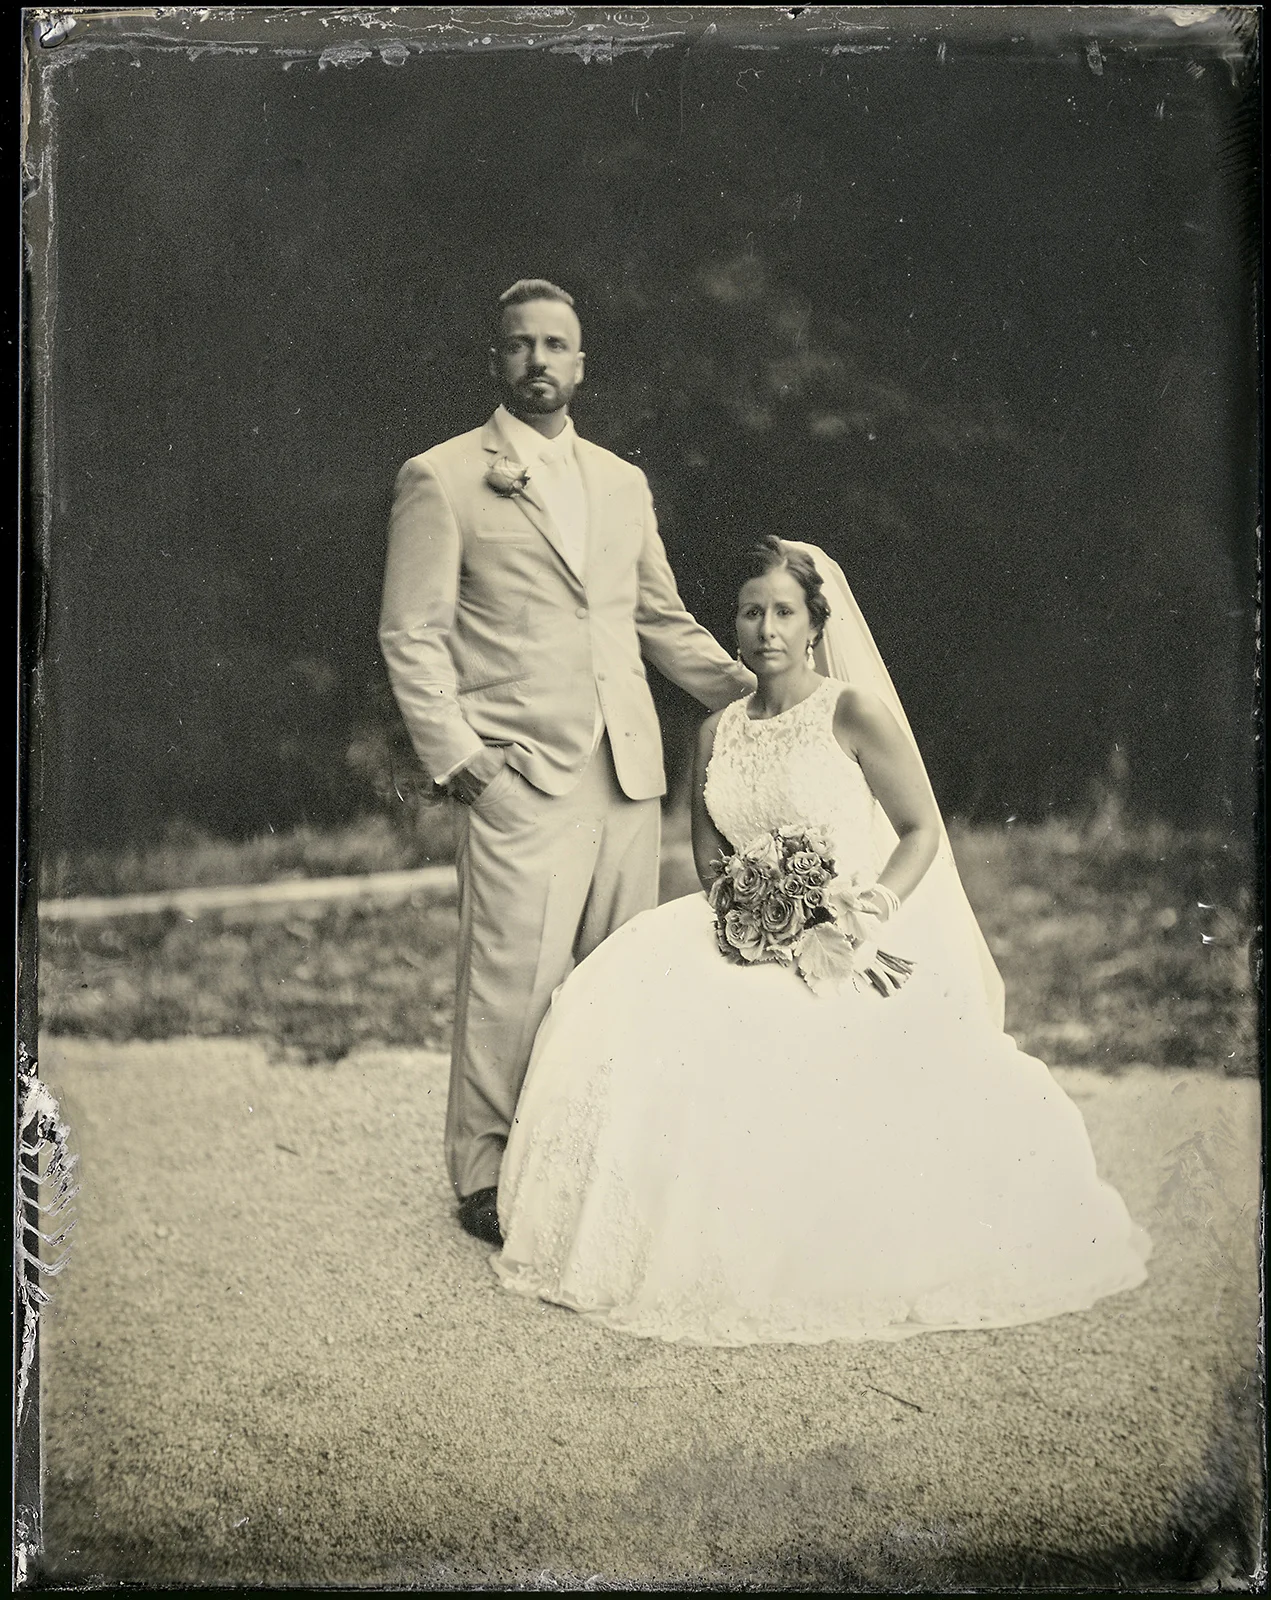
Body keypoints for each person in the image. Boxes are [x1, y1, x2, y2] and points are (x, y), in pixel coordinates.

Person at [492, 537, 1151, 1346]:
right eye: (750, 612)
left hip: (844, 930)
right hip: (737, 925)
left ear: (814, 625)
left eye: (783, 612)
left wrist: (860, 912)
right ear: (731, 627)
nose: (765, 628)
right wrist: (745, 905)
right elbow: (705, 851)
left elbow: (918, 830)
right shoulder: (714, 731)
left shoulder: (850, 711)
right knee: (619, 1016)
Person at [378, 279, 754, 1246]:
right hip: (517, 773)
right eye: (519, 346)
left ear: (582, 365)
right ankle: (485, 1174)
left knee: (613, 978)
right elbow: (411, 634)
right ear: (494, 360)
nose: (538, 362)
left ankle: (590, 1157)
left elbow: (657, 620)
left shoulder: (622, 483)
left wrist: (762, 699)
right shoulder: (444, 475)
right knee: (509, 978)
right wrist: (458, 757)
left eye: (557, 346)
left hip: (627, 773)